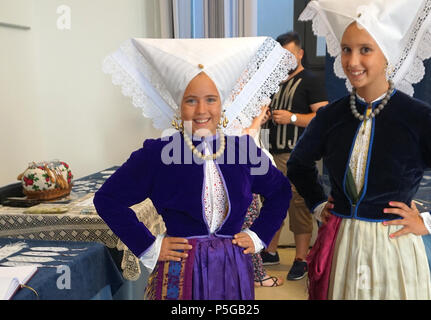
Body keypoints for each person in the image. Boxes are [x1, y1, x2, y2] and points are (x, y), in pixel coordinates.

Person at [95, 37, 297, 300]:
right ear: (178, 105)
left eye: (211, 99)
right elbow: (108, 199)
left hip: (231, 269)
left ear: (222, 102)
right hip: (179, 270)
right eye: (191, 100)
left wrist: (258, 235)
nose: (202, 110)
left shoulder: (243, 151)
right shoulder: (158, 154)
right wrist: (149, 246)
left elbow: (280, 190)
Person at [287, 0, 431, 299]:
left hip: (392, 245)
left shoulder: (417, 118)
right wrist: (317, 205)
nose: (352, 61)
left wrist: (425, 221)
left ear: (386, 55)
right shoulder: (331, 116)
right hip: (341, 243)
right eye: (346, 49)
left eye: (365, 49)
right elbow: (298, 164)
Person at [261, 31, 328, 282]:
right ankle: (270, 251)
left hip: (298, 154)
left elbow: (323, 116)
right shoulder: (275, 82)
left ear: (300, 54)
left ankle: (301, 258)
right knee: (272, 201)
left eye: (289, 55)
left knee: (298, 204)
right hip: (272, 152)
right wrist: (267, 117)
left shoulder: (310, 79)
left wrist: (291, 117)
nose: (285, 60)